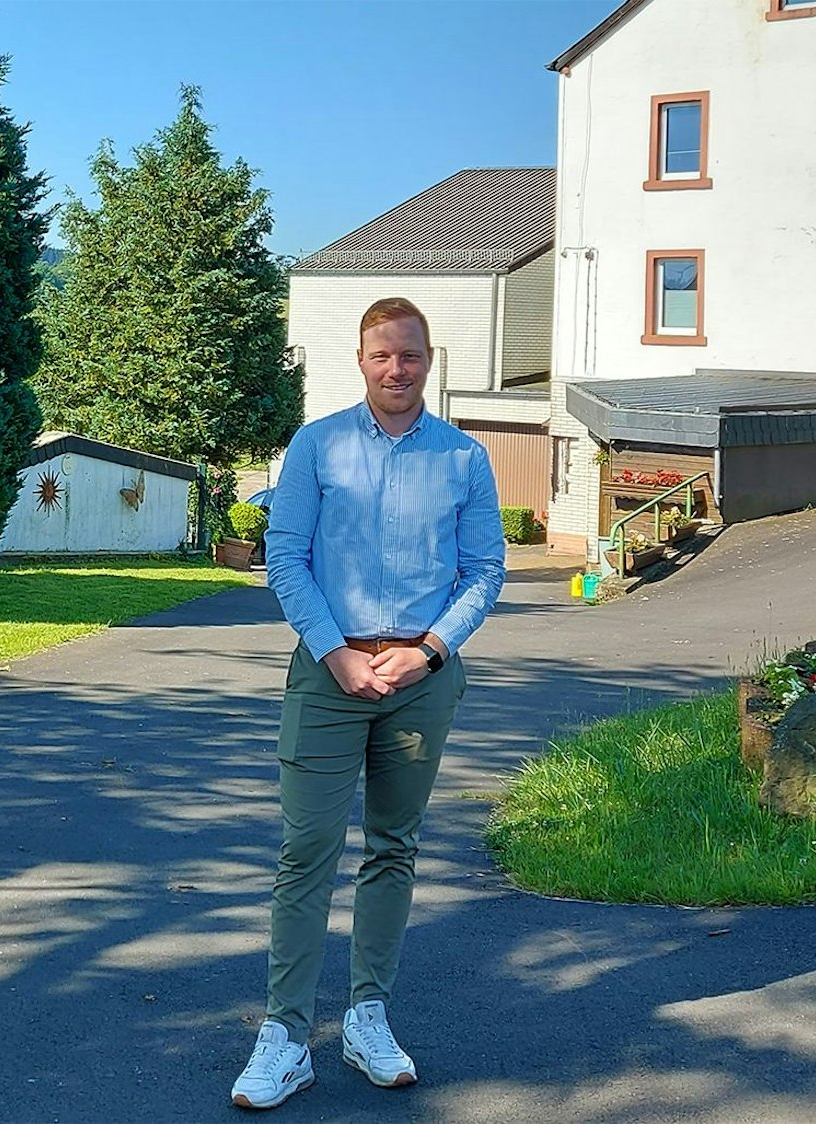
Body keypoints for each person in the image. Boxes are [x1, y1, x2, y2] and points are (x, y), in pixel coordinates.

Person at [230, 296, 505, 1111]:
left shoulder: (463, 458)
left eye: (411, 356)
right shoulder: (317, 447)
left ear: (430, 359)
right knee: (307, 850)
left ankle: (367, 1017)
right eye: (383, 356)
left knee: (393, 847)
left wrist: (427, 652)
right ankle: (285, 1035)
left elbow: (485, 570)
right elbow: (284, 556)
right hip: (330, 672)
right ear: (360, 359)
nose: (397, 369)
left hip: (421, 678)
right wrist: (337, 653)